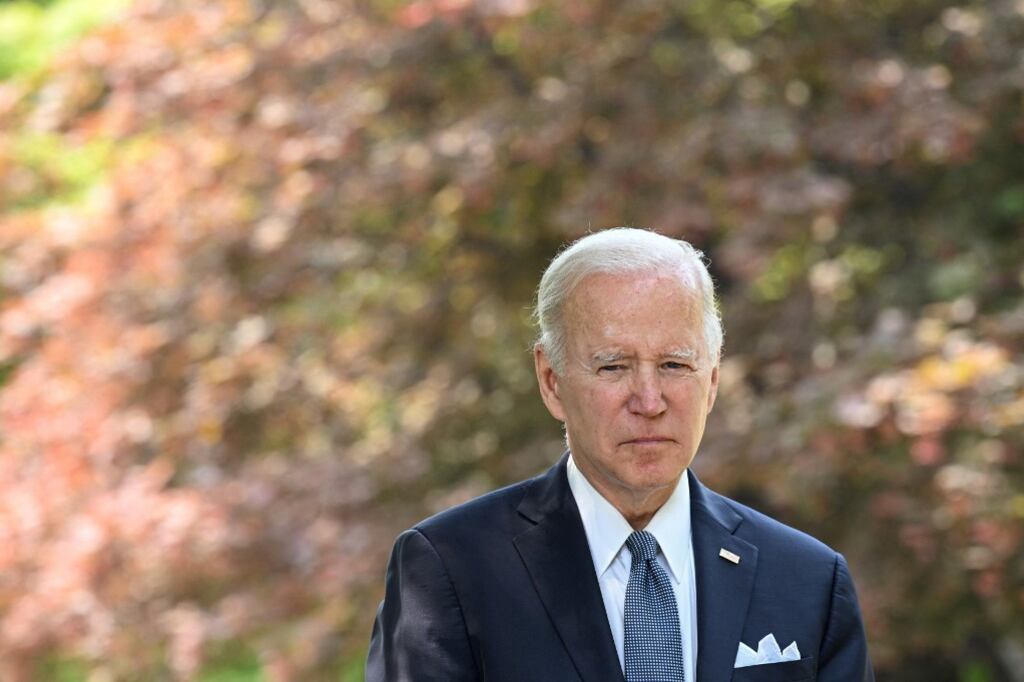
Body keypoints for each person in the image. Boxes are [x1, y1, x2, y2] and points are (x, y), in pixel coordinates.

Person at [367, 228, 873, 681]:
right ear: (551, 381)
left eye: (675, 364)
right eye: (613, 368)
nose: (650, 402)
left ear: (713, 379)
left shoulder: (808, 580)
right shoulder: (450, 569)